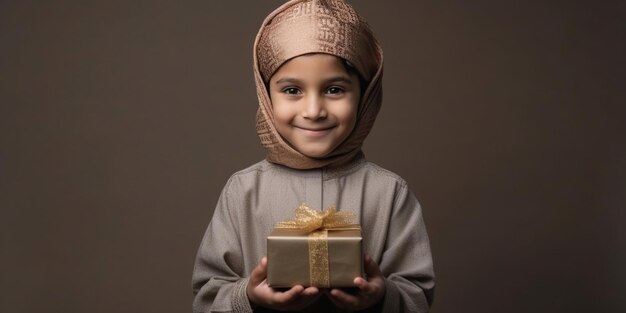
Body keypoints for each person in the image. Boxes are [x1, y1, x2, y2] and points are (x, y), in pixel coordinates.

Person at [192, 0, 435, 312]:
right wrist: (250, 296)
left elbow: (418, 295)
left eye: (334, 90)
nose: (313, 111)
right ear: (266, 96)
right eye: (292, 90)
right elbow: (206, 295)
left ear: (365, 94)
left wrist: (381, 295)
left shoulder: (390, 193)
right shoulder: (242, 192)